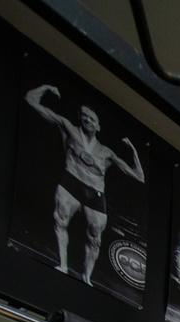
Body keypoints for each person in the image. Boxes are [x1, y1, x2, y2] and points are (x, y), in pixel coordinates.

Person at [23, 84, 146, 284]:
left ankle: (86, 277)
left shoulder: (106, 152)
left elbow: (139, 177)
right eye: (84, 116)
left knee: (94, 238)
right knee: (60, 221)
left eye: (92, 118)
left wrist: (133, 151)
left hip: (95, 193)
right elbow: (30, 100)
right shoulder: (68, 128)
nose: (87, 120)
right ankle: (63, 265)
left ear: (98, 126)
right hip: (71, 181)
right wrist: (45, 87)